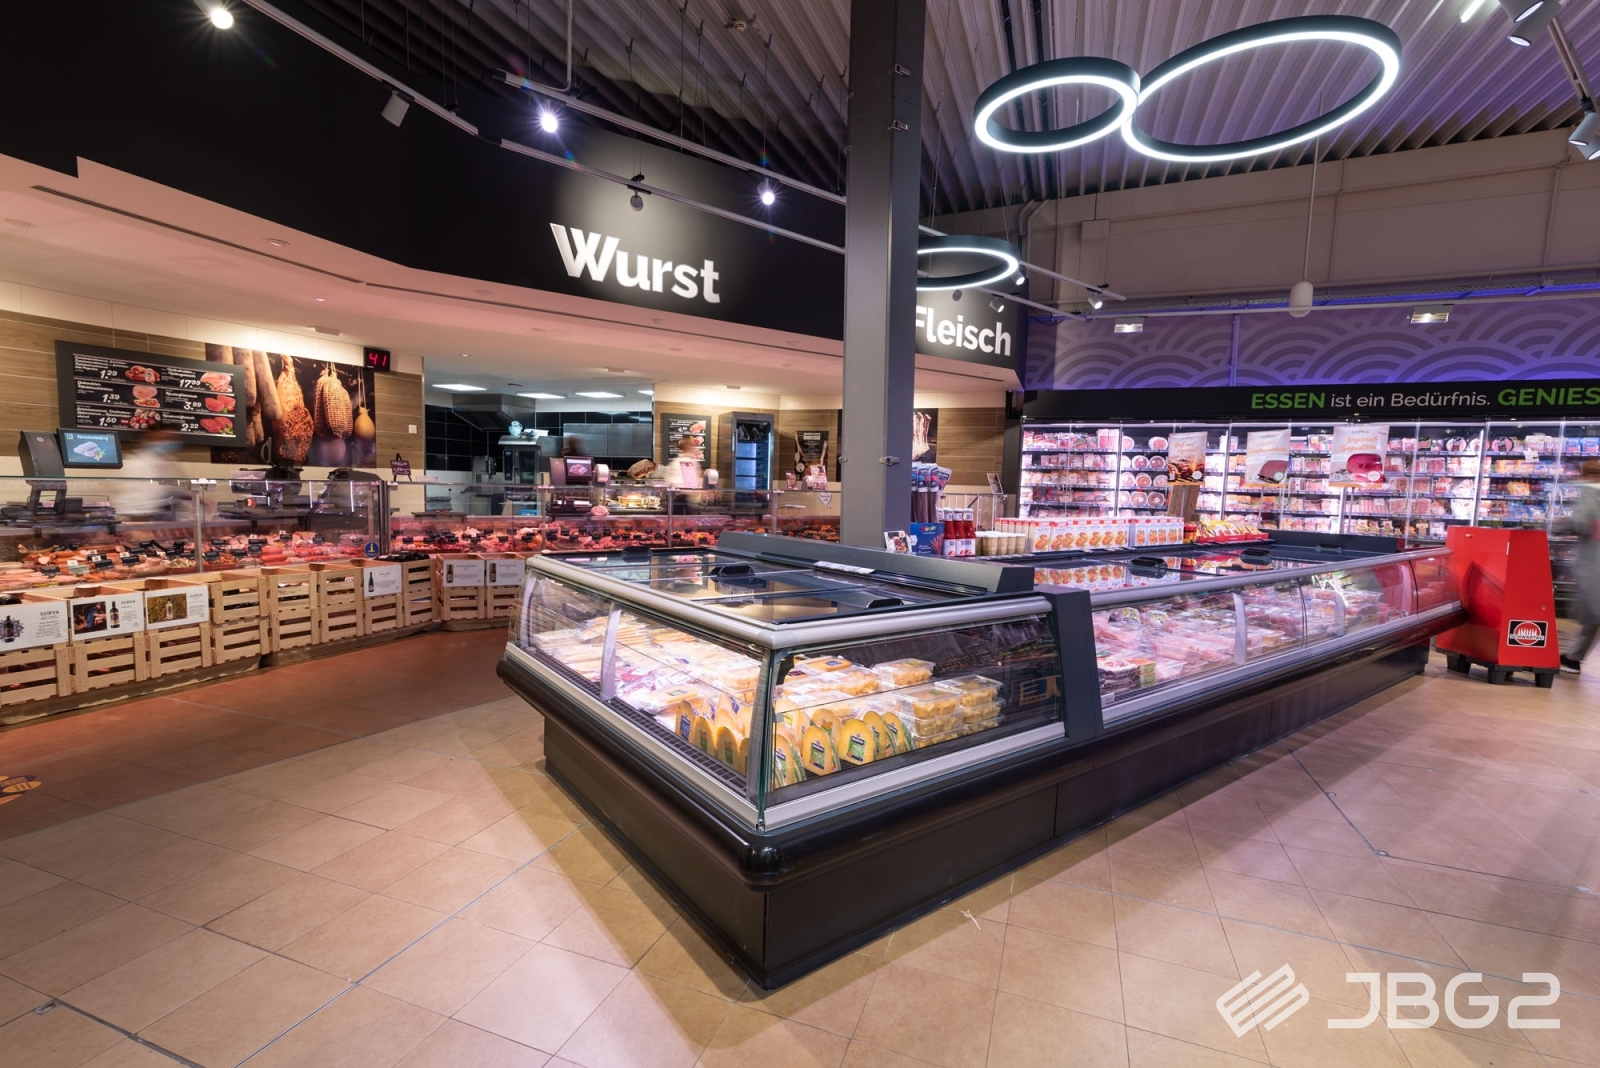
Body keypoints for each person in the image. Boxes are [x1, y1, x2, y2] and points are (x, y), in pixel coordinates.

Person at [1558, 459, 1600, 672]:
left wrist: (1558, 525)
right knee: (1593, 613)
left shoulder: (1592, 493)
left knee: (1593, 610)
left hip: (1594, 561)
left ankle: (1574, 657)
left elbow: (1580, 523)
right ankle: (1574, 657)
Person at [117, 428, 183, 519]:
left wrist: (193, 496)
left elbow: (173, 487)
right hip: (138, 515)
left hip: (158, 515)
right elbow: (139, 497)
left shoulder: (167, 461)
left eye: (172, 438)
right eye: (160, 439)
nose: (167, 442)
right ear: (147, 440)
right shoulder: (136, 462)